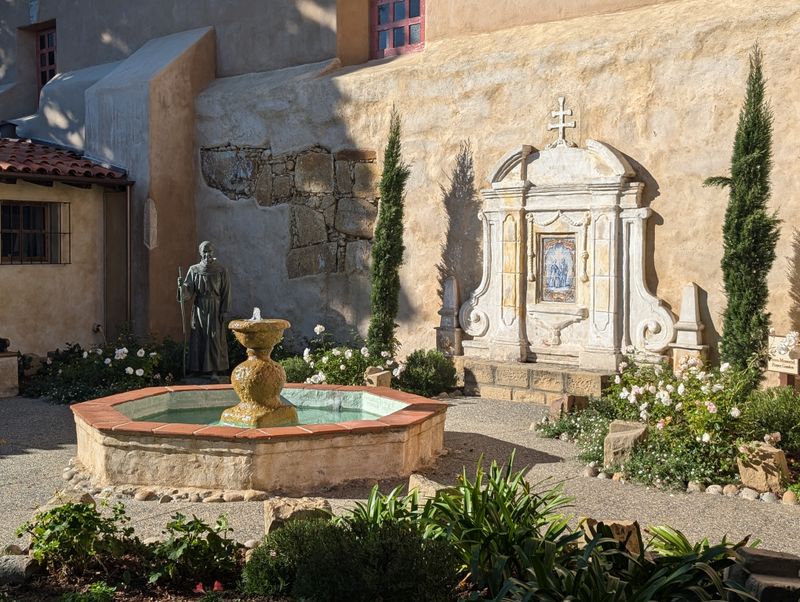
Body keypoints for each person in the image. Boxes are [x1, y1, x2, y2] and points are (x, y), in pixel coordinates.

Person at [178, 241, 231, 380]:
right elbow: (188, 290)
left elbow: (226, 292)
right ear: (201, 253)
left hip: (215, 307)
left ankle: (214, 369)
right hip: (200, 307)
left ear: (213, 252)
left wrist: (224, 311)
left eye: (210, 251)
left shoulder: (221, 270)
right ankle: (197, 369)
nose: (208, 254)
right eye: (205, 251)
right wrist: (182, 288)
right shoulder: (194, 269)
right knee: (198, 337)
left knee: (214, 338)